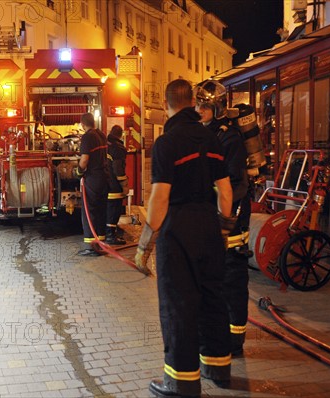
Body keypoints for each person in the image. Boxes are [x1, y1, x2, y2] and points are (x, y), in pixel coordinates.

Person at [136, 79, 235, 397]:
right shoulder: (212, 138)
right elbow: (226, 192)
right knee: (212, 297)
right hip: (209, 223)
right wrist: (222, 228)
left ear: (166, 105)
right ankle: (218, 367)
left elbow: (159, 198)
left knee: (178, 304)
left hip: (178, 230)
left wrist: (144, 245)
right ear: (192, 102)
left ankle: (181, 382)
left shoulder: (167, 143)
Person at [195, 79, 251, 356]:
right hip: (215, 216)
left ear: (217, 108)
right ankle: (220, 333)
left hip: (233, 218)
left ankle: (235, 339)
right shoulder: (207, 134)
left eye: (204, 106)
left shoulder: (229, 137)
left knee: (233, 279)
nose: (199, 110)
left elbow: (235, 183)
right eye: (197, 105)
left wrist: (224, 220)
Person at [75, 112, 109, 256]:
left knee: (89, 211)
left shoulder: (87, 137)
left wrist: (78, 172)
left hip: (93, 179)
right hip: (104, 177)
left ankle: (91, 247)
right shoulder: (101, 135)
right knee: (101, 210)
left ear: (83, 125)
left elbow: (84, 160)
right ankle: (100, 243)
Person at [105, 125, 128, 245]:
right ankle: (110, 235)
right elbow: (118, 169)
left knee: (107, 208)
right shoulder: (118, 148)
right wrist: (124, 184)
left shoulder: (105, 144)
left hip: (103, 182)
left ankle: (107, 231)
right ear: (121, 135)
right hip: (114, 184)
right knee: (114, 209)